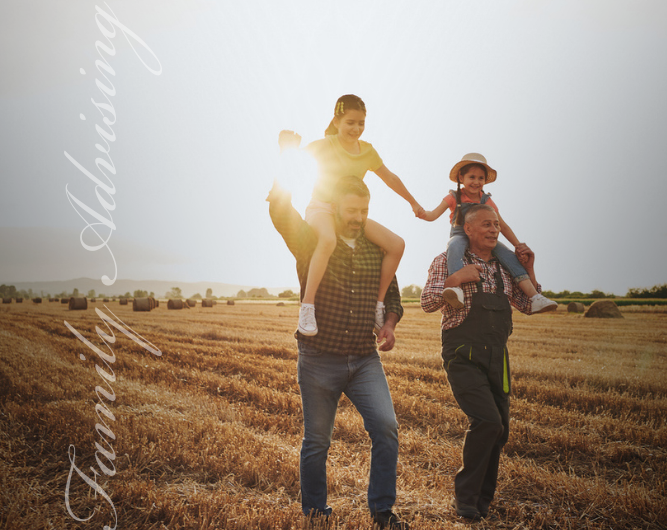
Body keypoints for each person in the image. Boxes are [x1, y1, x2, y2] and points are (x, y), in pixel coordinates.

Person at [267, 175, 410, 529]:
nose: (358, 217)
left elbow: (392, 297)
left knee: (387, 428)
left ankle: (382, 511)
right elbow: (282, 217)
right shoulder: (312, 241)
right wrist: (282, 172)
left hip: (364, 359)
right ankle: (315, 513)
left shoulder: (376, 249)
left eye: (364, 210)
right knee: (317, 441)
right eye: (351, 209)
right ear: (334, 207)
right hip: (318, 358)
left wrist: (389, 324)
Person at [420, 203, 545, 521]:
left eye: (496, 225)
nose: (493, 229)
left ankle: (482, 502)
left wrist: (529, 269)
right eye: (486, 225)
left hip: (497, 357)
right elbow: (427, 302)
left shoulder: (507, 267)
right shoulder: (446, 260)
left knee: (499, 431)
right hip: (463, 354)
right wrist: (456, 279)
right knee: (487, 422)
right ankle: (466, 499)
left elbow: (528, 306)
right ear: (469, 229)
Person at [279, 94, 424, 337]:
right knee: (327, 240)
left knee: (397, 245)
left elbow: (390, 178)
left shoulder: (367, 151)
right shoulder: (325, 145)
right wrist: (286, 147)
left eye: (361, 123)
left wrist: (414, 203)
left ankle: (378, 305)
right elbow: (295, 162)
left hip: (351, 214)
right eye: (350, 122)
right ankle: (308, 306)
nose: (356, 128)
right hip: (322, 208)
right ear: (336, 121)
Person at [422, 153, 557, 314]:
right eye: (472, 177)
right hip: (459, 233)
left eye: (481, 178)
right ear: (461, 177)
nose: (476, 182)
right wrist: (423, 213)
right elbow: (433, 214)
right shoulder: (453, 197)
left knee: (509, 256)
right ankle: (456, 288)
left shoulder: (486, 201)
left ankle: (535, 297)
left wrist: (518, 245)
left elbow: (503, 226)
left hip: (483, 238)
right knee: (454, 246)